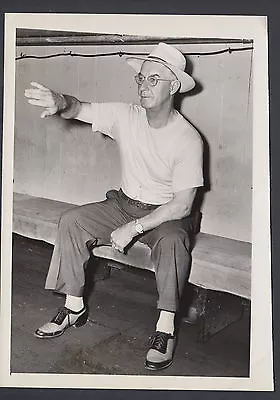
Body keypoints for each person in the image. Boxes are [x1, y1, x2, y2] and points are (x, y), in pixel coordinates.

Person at [24, 42, 204, 371]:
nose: (143, 86)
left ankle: (165, 330)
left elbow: (182, 205)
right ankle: (74, 305)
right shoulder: (126, 115)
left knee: (173, 242)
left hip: (168, 215)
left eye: (153, 80)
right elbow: (78, 108)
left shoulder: (188, 139)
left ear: (173, 86)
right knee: (72, 221)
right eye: (140, 79)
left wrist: (134, 228)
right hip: (124, 203)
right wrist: (59, 101)